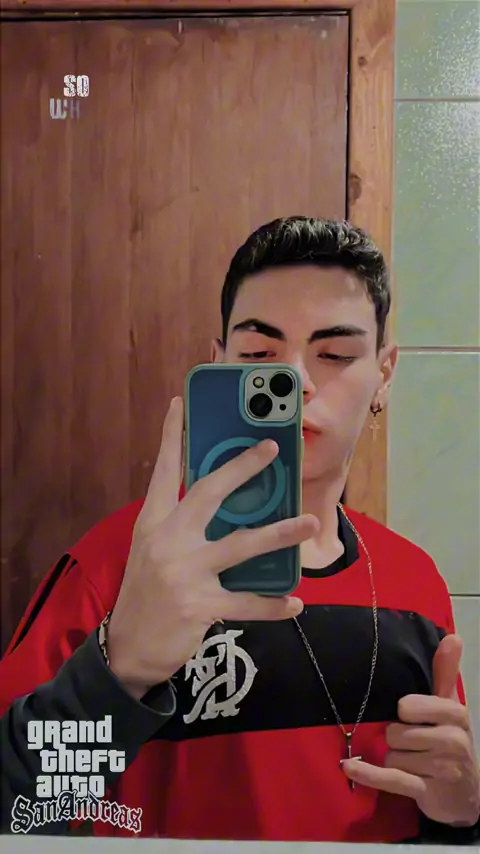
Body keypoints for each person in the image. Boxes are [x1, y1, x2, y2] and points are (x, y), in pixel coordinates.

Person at [1, 217, 479, 843]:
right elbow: (18, 815)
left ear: (385, 374)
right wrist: (119, 672)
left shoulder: (414, 581)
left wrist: (461, 814)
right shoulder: (119, 567)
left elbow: (437, 811)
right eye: (258, 356)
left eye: (335, 354)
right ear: (219, 362)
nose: (298, 382)